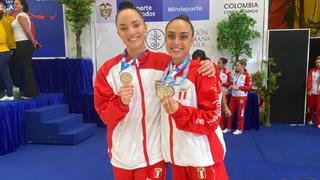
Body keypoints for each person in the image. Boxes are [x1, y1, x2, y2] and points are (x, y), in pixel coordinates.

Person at [94, 1, 214, 179]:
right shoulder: (108, 70)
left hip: (154, 155)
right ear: (118, 32)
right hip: (122, 155)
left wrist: (210, 66)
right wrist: (121, 103)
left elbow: (190, 65)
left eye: (136, 25)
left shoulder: (165, 63)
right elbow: (105, 115)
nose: (131, 32)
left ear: (145, 27)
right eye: (124, 27)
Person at [159, 14, 228, 180]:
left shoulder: (202, 71)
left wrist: (179, 111)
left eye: (183, 37)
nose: (176, 42)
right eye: (171, 36)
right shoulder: (164, 70)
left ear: (192, 40)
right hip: (178, 157)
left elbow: (212, 118)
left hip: (202, 157)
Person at [11, 0, 39, 99]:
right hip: (20, 44)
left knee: (27, 68)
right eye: (14, 4)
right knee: (21, 67)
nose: (14, 5)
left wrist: (33, 42)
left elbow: (27, 30)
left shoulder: (21, 16)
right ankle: (27, 90)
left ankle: (30, 93)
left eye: (17, 3)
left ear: (22, 6)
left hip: (23, 44)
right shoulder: (19, 15)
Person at [223, 59, 252, 135]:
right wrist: (225, 85)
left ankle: (239, 129)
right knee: (229, 112)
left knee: (240, 114)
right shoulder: (235, 74)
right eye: (236, 65)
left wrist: (238, 88)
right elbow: (231, 83)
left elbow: (249, 87)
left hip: (242, 97)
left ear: (242, 66)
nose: (236, 67)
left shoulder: (247, 75)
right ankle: (228, 128)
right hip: (233, 96)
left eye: (237, 65)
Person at [0, 9, 13, 101]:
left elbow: (1, 40)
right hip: (4, 52)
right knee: (6, 73)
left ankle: (9, 95)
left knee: (5, 73)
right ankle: (9, 95)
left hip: (2, 52)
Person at [217, 57, 232, 129]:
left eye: (219, 63)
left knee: (223, 110)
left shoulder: (227, 73)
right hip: (216, 94)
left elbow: (230, 84)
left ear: (224, 64)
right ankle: (216, 125)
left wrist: (222, 84)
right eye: (217, 62)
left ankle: (221, 126)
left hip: (224, 94)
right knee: (216, 109)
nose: (217, 64)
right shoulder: (214, 71)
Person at [306, 56, 320, 128]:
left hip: (319, 93)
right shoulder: (312, 71)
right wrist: (309, 89)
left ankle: (319, 122)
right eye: (317, 62)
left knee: (319, 107)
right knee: (310, 107)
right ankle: (309, 118)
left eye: (319, 62)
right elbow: (309, 80)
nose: (318, 64)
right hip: (312, 92)